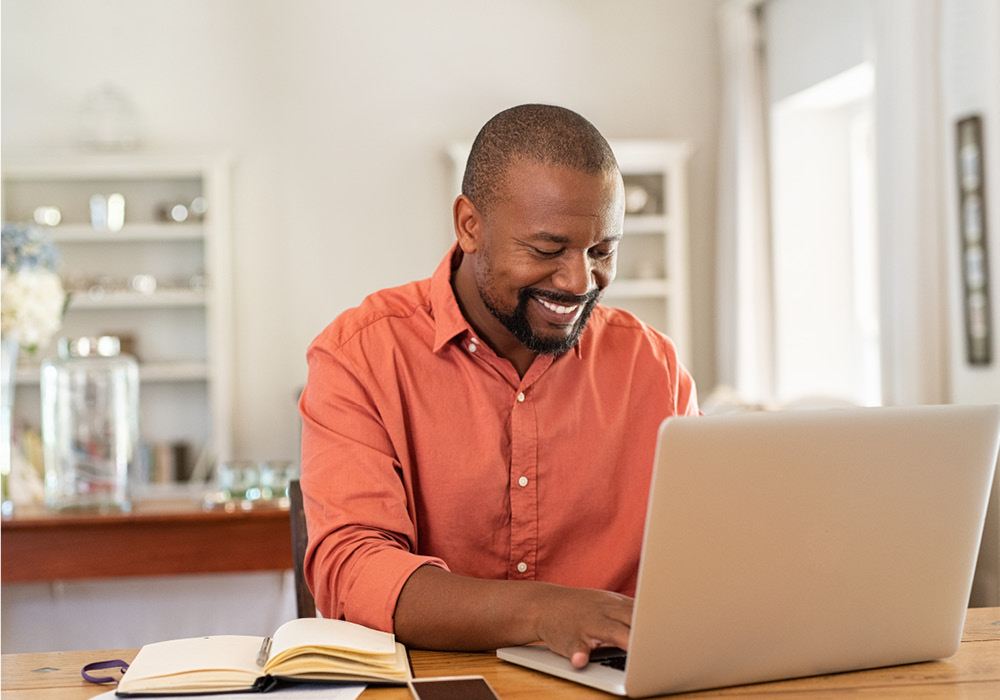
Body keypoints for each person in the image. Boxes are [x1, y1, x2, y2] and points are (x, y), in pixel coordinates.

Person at [299, 104, 699, 668]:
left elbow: (701, 556)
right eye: (546, 249)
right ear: (469, 225)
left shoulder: (653, 367)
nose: (579, 281)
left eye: (602, 251)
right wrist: (543, 612)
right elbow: (354, 570)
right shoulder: (359, 356)